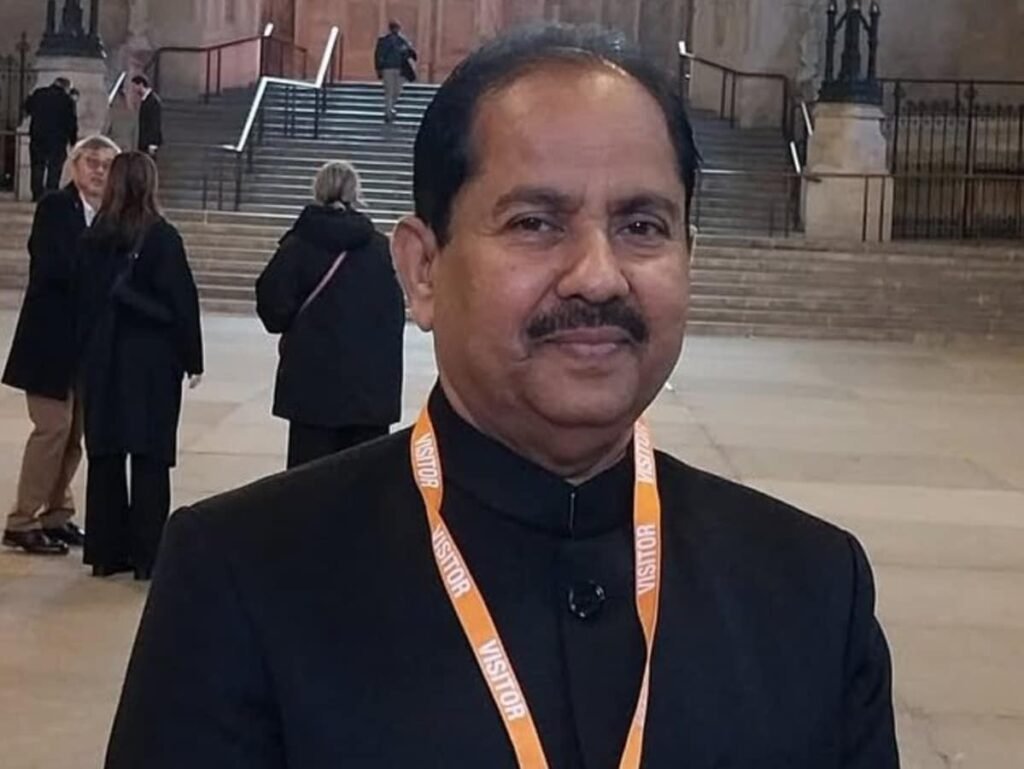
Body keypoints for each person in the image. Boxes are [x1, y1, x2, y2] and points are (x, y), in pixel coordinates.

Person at [105, 26, 898, 768]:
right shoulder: (243, 580)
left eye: (643, 226)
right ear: (422, 270)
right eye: (535, 223)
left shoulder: (812, 591)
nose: (598, 276)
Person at [75, 151, 203, 581]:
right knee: (150, 458)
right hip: (150, 360)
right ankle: (148, 554)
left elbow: (80, 302)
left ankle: (106, 551)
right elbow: (182, 303)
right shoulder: (162, 237)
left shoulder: (93, 237)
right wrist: (192, 357)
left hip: (102, 358)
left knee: (106, 456)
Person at [2, 135, 119, 556]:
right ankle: (22, 521)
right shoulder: (55, 207)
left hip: (85, 346)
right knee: (52, 429)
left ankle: (56, 513)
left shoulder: (110, 215)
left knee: (73, 436)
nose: (99, 171)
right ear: (74, 164)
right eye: (92, 162)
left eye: (107, 165)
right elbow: (54, 266)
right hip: (48, 342)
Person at [256, 160, 405, 469]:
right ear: (355, 193)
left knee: (311, 482)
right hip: (368, 391)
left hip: (312, 386)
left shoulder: (298, 245)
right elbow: (392, 318)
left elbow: (273, 306)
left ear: (318, 191)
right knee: (363, 483)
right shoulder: (380, 249)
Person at [24, 77, 79, 201]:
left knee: (37, 166)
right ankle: (50, 194)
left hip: (38, 137)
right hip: (57, 139)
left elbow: (27, 107)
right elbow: (71, 122)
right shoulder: (67, 100)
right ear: (66, 87)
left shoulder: (39, 93)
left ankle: (37, 194)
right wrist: (73, 141)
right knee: (54, 168)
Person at [374, 20, 417, 123]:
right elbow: (378, 56)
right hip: (388, 68)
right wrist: (379, 69)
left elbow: (410, 54)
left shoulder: (402, 41)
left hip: (399, 69)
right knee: (390, 91)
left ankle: (390, 108)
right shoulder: (384, 41)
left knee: (396, 91)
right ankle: (388, 112)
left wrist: (407, 50)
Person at [131, 75, 162, 157]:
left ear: (141, 85)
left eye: (134, 86)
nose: (133, 89)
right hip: (143, 142)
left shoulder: (153, 101)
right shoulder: (144, 100)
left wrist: (153, 143)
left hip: (148, 143)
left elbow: (155, 122)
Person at [105, 87, 138, 154]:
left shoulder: (112, 113)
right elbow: (135, 135)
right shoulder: (133, 114)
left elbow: (105, 131)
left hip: (114, 146)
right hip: (128, 147)